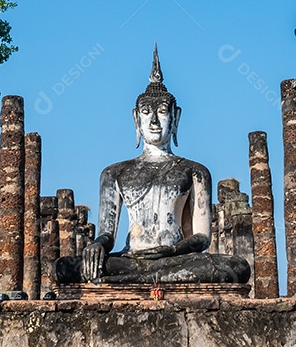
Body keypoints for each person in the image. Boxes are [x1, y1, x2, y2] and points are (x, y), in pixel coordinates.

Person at [56, 47, 249, 285]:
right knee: (65, 267)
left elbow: (202, 237)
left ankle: (135, 280)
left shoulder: (195, 170)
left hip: (175, 258)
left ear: (175, 117)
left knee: (236, 267)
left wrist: (173, 250)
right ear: (136, 119)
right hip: (131, 258)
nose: (155, 121)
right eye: (147, 113)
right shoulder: (114, 172)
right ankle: (147, 277)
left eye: (162, 112)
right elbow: (108, 234)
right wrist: (96, 245)